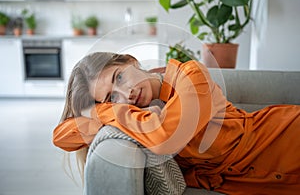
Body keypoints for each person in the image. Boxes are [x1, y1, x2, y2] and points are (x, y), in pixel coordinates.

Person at [53, 52, 300, 194]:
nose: (125, 93)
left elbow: (166, 137)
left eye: (119, 77)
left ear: (130, 61)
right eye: (110, 97)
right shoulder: (136, 119)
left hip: (286, 137)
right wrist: (109, 109)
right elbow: (61, 136)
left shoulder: (191, 75)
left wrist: (104, 110)